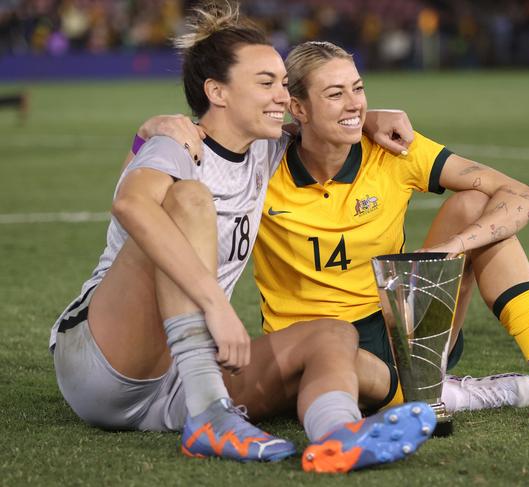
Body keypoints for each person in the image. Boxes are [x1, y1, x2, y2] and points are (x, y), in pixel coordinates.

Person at [50, 3, 437, 474]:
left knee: (334, 335)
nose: (283, 95)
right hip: (103, 361)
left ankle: (339, 437)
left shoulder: (267, 150)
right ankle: (212, 417)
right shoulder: (176, 142)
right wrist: (216, 305)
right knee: (190, 199)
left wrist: (366, 115)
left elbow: (320, 124)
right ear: (217, 91)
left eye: (284, 83)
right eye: (266, 82)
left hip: (179, 384)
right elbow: (131, 205)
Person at [252, 40, 529, 427]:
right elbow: (218, 137)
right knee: (341, 365)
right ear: (297, 107)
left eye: (358, 89)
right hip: (310, 345)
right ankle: (443, 393)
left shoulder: (393, 152)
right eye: (335, 93)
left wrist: (452, 248)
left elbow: (523, 197)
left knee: (474, 206)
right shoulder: (261, 163)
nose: (354, 103)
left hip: (403, 329)